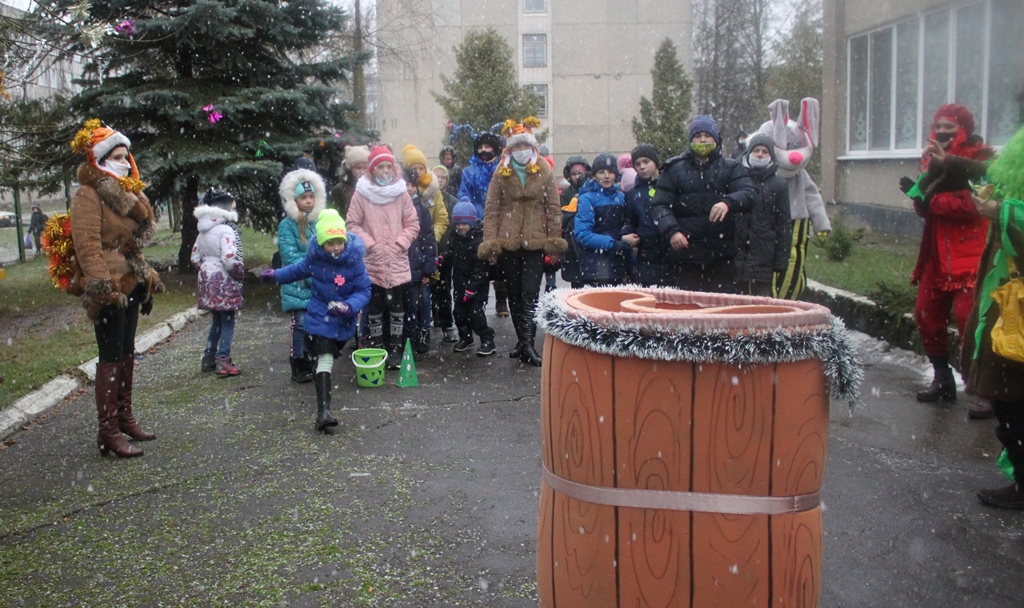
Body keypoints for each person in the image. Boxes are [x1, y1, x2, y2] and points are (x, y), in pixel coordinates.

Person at [68, 119, 163, 458]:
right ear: (101, 159)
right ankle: (107, 430)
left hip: (131, 280)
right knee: (110, 356)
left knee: (126, 352)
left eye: (127, 155)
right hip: (109, 286)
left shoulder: (125, 192)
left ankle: (125, 418)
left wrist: (142, 277)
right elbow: (87, 246)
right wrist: (103, 288)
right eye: (118, 156)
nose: (125, 161)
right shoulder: (88, 195)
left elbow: (131, 242)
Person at [899, 104, 993, 410]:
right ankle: (942, 378)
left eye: (950, 127)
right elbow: (922, 206)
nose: (942, 132)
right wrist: (919, 196)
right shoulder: (929, 159)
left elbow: (972, 205)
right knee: (926, 315)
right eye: (938, 126)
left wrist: (932, 199)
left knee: (972, 324)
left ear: (964, 129)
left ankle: (984, 390)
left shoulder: (980, 158)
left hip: (970, 258)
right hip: (936, 257)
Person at [958, 124, 1024, 508]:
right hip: (1005, 311)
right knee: (1007, 400)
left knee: (1011, 398)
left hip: (1015, 317)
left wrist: (1000, 212)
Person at [261, 210, 371, 433]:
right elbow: (298, 270)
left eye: (339, 241)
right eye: (330, 243)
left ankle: (316, 373)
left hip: (343, 321)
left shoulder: (354, 261)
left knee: (328, 354)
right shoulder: (316, 259)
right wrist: (277, 275)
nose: (336, 247)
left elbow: (364, 290)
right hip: (320, 315)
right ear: (321, 243)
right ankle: (323, 412)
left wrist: (349, 306)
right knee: (326, 357)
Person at [478, 117, 566, 366]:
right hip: (508, 243)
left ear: (532, 148)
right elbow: (492, 210)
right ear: (510, 150)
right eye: (516, 147)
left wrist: (553, 240)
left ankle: (528, 343)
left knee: (529, 294)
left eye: (524, 147)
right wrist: (491, 243)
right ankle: (521, 340)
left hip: (535, 243)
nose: (521, 151)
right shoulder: (501, 172)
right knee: (515, 294)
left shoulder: (544, 170)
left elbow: (554, 208)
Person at [650, 115, 757, 292]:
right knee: (688, 311)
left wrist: (728, 203)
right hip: (686, 258)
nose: (703, 140)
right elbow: (659, 205)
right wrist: (672, 231)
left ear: (715, 138)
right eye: (698, 136)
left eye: (707, 135)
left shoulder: (731, 168)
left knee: (720, 311)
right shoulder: (674, 169)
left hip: (721, 257)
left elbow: (750, 194)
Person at [345, 145, 419, 369]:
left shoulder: (401, 193)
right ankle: (377, 347)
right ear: (372, 169)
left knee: (397, 306)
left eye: (389, 166)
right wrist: (370, 244)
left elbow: (413, 224)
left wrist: (400, 243)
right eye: (380, 167)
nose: (385, 171)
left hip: (396, 260)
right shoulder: (361, 194)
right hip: (372, 261)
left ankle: (396, 348)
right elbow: (352, 224)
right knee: (375, 307)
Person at [755, 98, 831, 300]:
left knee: (794, 257)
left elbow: (812, 195)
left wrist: (821, 223)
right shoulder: (761, 176)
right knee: (770, 257)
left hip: (797, 220)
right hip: (769, 224)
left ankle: (790, 293)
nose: (794, 157)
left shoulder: (800, 177)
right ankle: (770, 296)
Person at [277, 168, 327, 383]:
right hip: (297, 283)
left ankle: (313, 356)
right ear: (293, 200)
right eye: (303, 198)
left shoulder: (318, 223)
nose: (308, 201)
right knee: (300, 323)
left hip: (317, 284)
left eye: (311, 197)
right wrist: (310, 270)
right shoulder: (287, 226)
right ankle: (298, 360)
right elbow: (289, 255)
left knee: (316, 324)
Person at [191, 188, 245, 377]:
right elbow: (230, 258)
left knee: (216, 320)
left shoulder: (202, 231)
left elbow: (195, 258)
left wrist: (206, 271)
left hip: (207, 281)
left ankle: (208, 357)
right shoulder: (226, 230)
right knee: (228, 321)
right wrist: (238, 274)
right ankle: (224, 360)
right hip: (224, 281)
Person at [402, 145, 450, 351]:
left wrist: (428, 243)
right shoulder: (399, 200)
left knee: (427, 296)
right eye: (414, 168)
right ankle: (408, 335)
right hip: (407, 257)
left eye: (421, 167)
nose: (419, 172)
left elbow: (440, 220)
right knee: (408, 301)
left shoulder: (432, 192)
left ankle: (426, 331)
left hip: (424, 254)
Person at [734, 133, 792, 297]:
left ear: (771, 155)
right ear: (749, 153)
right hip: (736, 255)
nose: (760, 154)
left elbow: (784, 224)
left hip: (764, 256)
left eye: (765, 151)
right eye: (756, 150)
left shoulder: (779, 184)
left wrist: (781, 261)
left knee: (762, 304)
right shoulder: (737, 178)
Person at [458, 131, 509, 317]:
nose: (483, 150)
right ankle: (479, 304)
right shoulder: (469, 172)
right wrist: (474, 216)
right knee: (480, 264)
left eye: (487, 146)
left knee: (501, 264)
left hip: (502, 222)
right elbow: (464, 195)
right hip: (478, 222)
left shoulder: (504, 169)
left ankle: (502, 300)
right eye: (480, 147)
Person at [572, 153, 630, 286]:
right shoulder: (587, 198)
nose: (606, 176)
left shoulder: (621, 197)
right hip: (595, 266)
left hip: (619, 263)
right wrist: (612, 244)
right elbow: (582, 234)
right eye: (601, 172)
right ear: (594, 176)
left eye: (610, 172)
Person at [449, 200, 496, 356]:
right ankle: (465, 336)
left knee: (475, 314)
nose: (460, 227)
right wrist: (442, 258)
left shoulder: (478, 241)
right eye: (458, 224)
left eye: (464, 223)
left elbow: (480, 268)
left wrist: (472, 287)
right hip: (460, 283)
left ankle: (487, 338)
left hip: (476, 287)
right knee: (459, 312)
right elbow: (451, 253)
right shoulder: (456, 238)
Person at [622, 143, 669, 286]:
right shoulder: (632, 193)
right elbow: (630, 221)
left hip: (671, 255)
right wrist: (626, 235)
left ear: (655, 162)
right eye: (637, 163)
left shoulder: (669, 186)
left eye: (646, 161)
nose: (642, 167)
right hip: (646, 258)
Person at [401, 167, 437, 354]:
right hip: (400, 267)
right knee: (404, 307)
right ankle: (405, 339)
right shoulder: (395, 208)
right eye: (406, 184)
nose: (409, 189)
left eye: (412, 185)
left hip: (417, 267)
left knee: (419, 303)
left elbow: (428, 240)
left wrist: (427, 269)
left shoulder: (422, 210)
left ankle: (419, 336)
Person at [432, 165, 459, 342]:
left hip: (445, 251)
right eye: (436, 177)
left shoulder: (452, 201)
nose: (440, 180)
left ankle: (447, 324)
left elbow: (454, 226)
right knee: (427, 290)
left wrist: (448, 248)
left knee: (443, 288)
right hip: (429, 249)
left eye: (443, 177)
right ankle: (432, 319)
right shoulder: (426, 197)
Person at [558, 155, 592, 288]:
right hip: (572, 240)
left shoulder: (593, 190)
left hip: (588, 238)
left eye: (580, 173)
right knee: (576, 282)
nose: (577, 177)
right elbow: (562, 215)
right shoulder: (567, 193)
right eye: (574, 174)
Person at [328, 144, 369, 219]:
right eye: (358, 168)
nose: (362, 172)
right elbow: (332, 216)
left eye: (365, 168)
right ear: (350, 169)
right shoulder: (340, 189)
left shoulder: (372, 186)